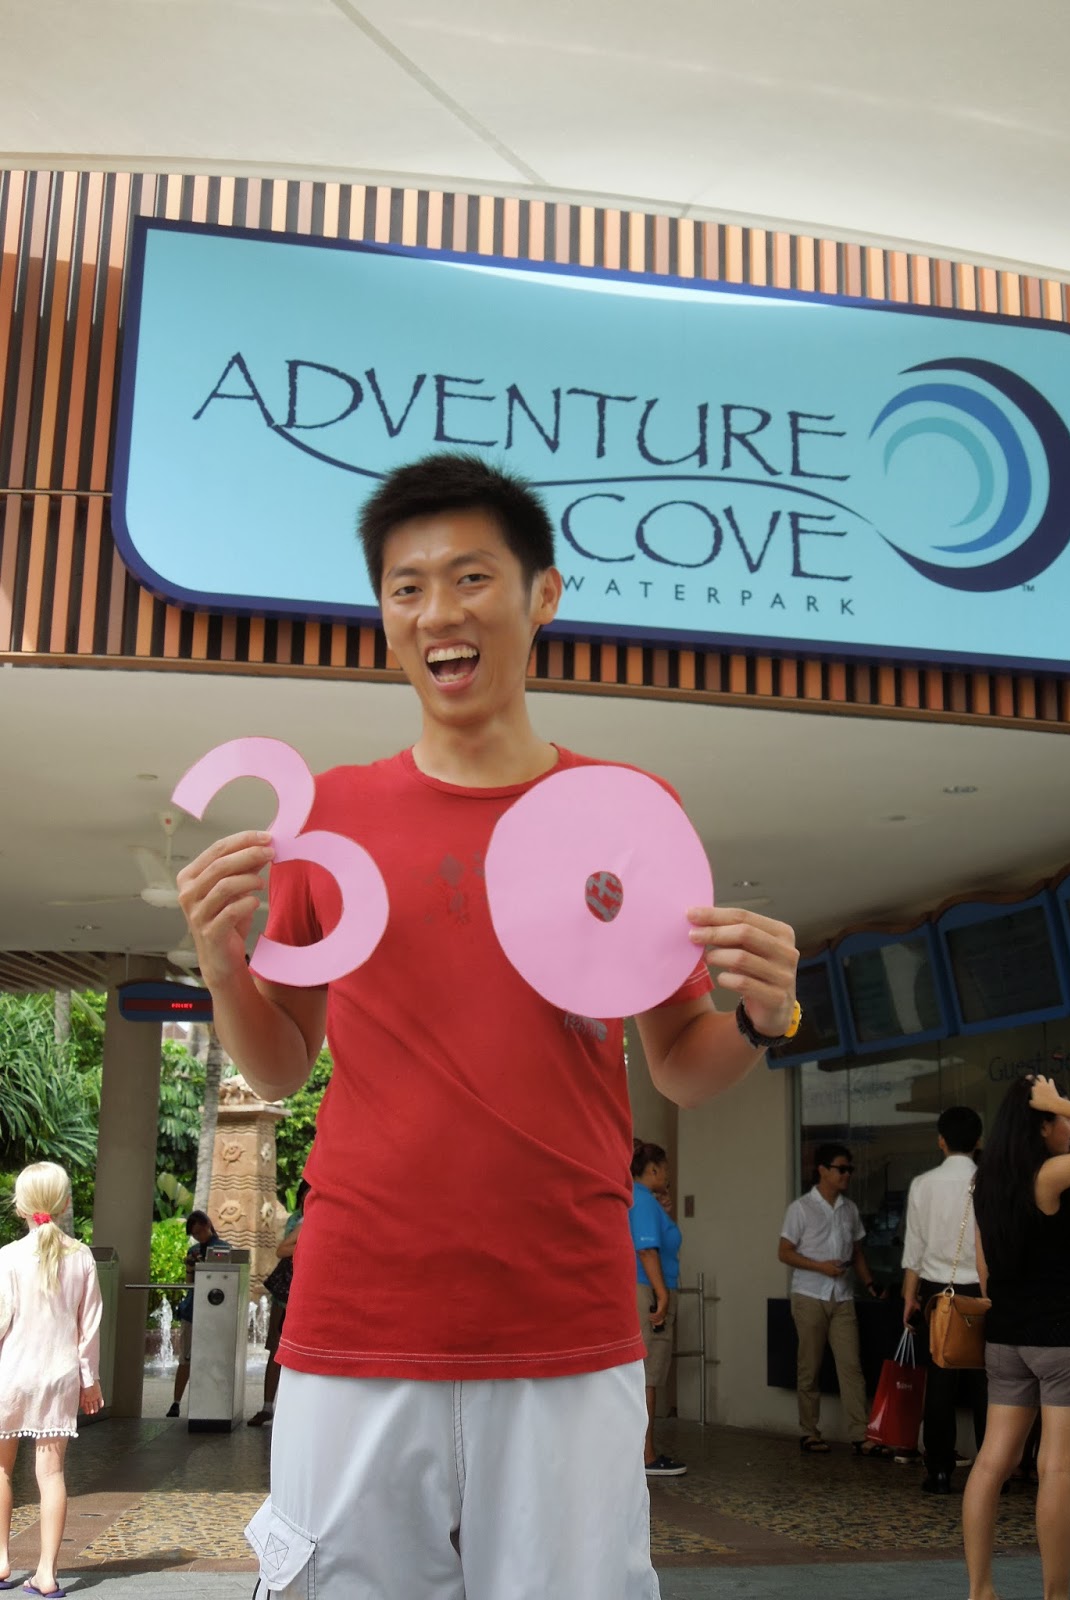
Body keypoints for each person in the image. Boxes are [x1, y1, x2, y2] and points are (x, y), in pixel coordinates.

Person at [176, 452, 800, 1600]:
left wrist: (765, 1019)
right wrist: (224, 971)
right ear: (384, 616)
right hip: (361, 1311)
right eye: (406, 587)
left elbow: (679, 1058)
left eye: (471, 578)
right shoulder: (332, 815)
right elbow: (284, 1060)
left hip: (567, 1314)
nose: (439, 612)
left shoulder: (628, 812)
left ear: (542, 594)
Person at [963, 1075, 1070, 1600]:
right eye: (1061, 1118)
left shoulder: (985, 1184)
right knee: (1056, 1468)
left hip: (1006, 1335)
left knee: (991, 1461)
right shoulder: (1050, 1175)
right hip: (1061, 1335)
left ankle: (980, 1589)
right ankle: (1056, 1596)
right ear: (1040, 1125)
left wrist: (1056, 1103)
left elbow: (984, 1271)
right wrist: (1061, 1099)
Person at [0, 1162, 103, 1599]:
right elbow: (89, 1328)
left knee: (1, 1469)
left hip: (11, 1374)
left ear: (20, 1206)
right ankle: (46, 1574)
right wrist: (90, 1380)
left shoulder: (7, 1257)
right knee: (52, 1473)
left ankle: (1, 1560)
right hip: (59, 1377)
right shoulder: (81, 1256)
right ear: (64, 1204)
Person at [778, 1142, 887, 1455]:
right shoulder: (801, 1208)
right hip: (809, 1295)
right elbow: (784, 1252)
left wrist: (870, 1283)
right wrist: (820, 1267)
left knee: (851, 1366)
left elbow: (857, 1252)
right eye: (841, 1169)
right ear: (822, 1170)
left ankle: (860, 1434)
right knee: (809, 1367)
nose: (847, 1174)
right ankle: (809, 1431)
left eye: (849, 1169)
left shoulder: (849, 1209)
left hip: (843, 1296)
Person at [900, 1105, 988, 1494]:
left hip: (938, 1293)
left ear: (941, 1141)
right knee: (987, 1384)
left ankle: (938, 1471)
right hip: (982, 1292)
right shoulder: (989, 1182)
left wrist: (909, 1298)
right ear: (978, 1141)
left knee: (939, 1383)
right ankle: (993, 1473)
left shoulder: (923, 1184)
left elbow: (914, 1251)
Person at [629, 1140, 685, 1478]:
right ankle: (646, 1454)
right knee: (647, 1376)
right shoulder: (643, 1200)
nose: (667, 1175)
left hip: (643, 1287)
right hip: (648, 1289)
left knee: (645, 1375)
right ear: (652, 1169)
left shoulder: (640, 1199)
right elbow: (647, 1250)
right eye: (664, 1169)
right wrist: (662, 1294)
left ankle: (642, 1451)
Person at [248, 1179, 310, 1429]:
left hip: (304, 1293)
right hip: (286, 1294)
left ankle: (291, 1409)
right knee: (276, 1348)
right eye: (306, 1194)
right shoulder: (299, 1220)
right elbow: (283, 1250)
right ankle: (267, 1406)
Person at [166, 1210, 230, 1418]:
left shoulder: (223, 1249)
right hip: (193, 1310)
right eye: (195, 1234)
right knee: (185, 1359)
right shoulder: (193, 1250)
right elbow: (189, 1283)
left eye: (200, 1231)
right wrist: (191, 1266)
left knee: (212, 1359)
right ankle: (176, 1403)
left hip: (215, 1313)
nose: (199, 1236)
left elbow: (225, 1281)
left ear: (208, 1225)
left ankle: (212, 1402)